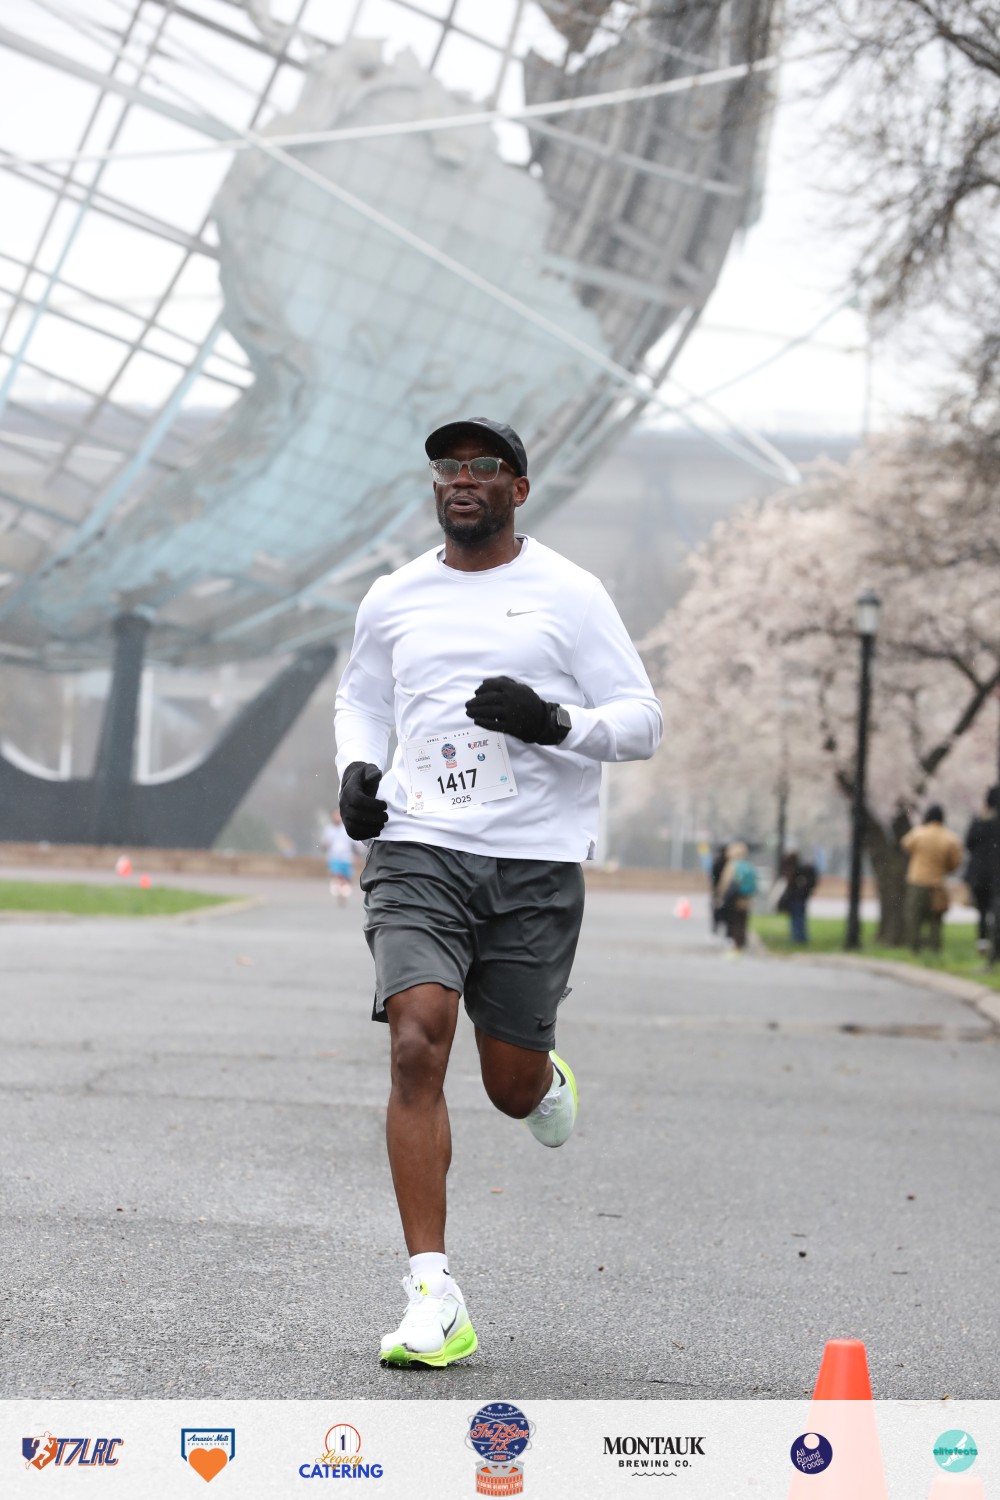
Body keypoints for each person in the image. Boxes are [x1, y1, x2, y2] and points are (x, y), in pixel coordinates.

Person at [334, 416, 662, 1369]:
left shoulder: (571, 593)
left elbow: (642, 721)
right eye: (448, 465)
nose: (462, 478)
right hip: (419, 847)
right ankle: (433, 1295)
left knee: (509, 1087)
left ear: (519, 488)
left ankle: (541, 1077)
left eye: (485, 465)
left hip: (533, 864)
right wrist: (356, 768)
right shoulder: (394, 595)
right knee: (416, 1041)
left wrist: (554, 722)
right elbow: (362, 697)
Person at [900, 804, 962, 954]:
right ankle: (934, 950)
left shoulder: (919, 833)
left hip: (917, 882)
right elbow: (955, 862)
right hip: (937, 884)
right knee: (936, 919)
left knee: (914, 918)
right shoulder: (950, 837)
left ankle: (914, 949)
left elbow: (905, 844)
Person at [963, 786, 1000, 960]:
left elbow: (968, 844)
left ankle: (983, 944)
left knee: (982, 910)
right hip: (996, 874)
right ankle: (995, 947)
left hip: (980, 874)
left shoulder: (979, 823)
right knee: (995, 909)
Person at [716, 839, 756, 952]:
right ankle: (742, 942)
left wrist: (720, 895)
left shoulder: (732, 865)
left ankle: (736, 943)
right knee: (743, 921)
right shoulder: (748, 865)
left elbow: (725, 882)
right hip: (747, 898)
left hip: (734, 898)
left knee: (734, 920)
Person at [319, 808, 363, 905]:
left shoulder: (347, 829)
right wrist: (324, 845)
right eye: (335, 815)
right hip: (334, 857)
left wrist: (357, 856)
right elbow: (323, 844)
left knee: (346, 879)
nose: (337, 817)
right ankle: (338, 889)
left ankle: (343, 892)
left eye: (338, 815)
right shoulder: (328, 829)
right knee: (337, 875)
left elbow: (356, 844)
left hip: (347, 858)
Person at [777, 849, 818, 944]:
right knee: (799, 917)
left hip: (797, 897)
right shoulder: (803, 869)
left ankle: (798, 937)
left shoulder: (798, 870)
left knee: (797, 918)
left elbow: (792, 882)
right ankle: (799, 936)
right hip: (800, 897)